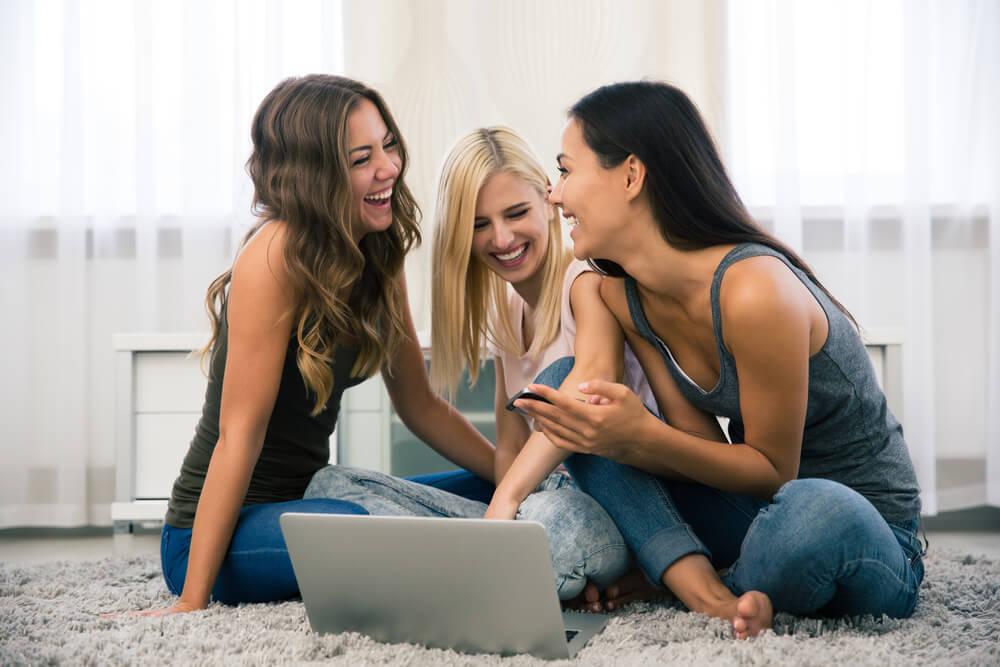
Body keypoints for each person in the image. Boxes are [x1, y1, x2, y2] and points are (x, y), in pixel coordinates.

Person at [511, 81, 925, 638]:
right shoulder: (628, 296)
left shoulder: (754, 292)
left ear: (631, 175)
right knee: (571, 389)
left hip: (859, 524)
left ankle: (693, 577)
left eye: (566, 171)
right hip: (754, 511)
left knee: (809, 510)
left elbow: (772, 472)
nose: (555, 195)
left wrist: (640, 438)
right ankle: (706, 587)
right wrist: (611, 438)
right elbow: (703, 451)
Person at [143, 75, 495, 614]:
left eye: (388, 145)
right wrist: (191, 600)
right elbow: (239, 436)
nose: (389, 168)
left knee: (492, 490)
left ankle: (512, 530)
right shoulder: (274, 256)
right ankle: (509, 552)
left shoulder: (379, 249)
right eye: (361, 159)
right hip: (222, 532)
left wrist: (517, 478)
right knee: (360, 529)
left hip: (312, 501)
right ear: (316, 175)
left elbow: (420, 407)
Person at [419, 126, 670, 599]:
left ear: (549, 201)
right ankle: (475, 558)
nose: (502, 237)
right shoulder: (507, 312)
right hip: (539, 503)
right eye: (478, 224)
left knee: (551, 524)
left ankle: (458, 569)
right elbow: (509, 444)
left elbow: (591, 381)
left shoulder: (586, 281)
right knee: (336, 485)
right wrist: (506, 504)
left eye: (516, 213)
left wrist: (506, 502)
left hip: (614, 509)